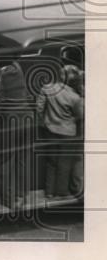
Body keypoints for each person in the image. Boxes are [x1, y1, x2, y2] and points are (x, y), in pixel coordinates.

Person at [36, 64, 84, 198]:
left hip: (50, 130)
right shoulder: (74, 97)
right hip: (68, 133)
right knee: (65, 163)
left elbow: (39, 109)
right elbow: (80, 116)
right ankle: (61, 192)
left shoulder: (47, 88)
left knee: (51, 161)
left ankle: (49, 191)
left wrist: (45, 121)